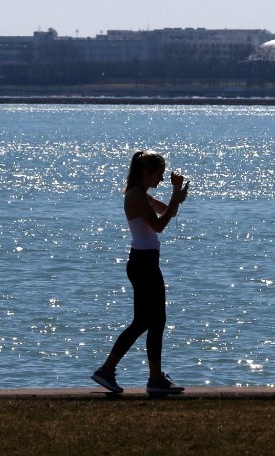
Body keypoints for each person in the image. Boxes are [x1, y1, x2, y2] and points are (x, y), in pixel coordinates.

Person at [91, 150, 189, 394]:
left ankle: (154, 378)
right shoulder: (136, 196)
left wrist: (177, 195)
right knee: (146, 321)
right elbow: (159, 225)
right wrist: (176, 196)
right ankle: (108, 370)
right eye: (159, 174)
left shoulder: (142, 195)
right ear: (146, 172)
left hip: (146, 262)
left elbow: (168, 210)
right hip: (143, 264)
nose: (162, 179)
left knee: (155, 321)